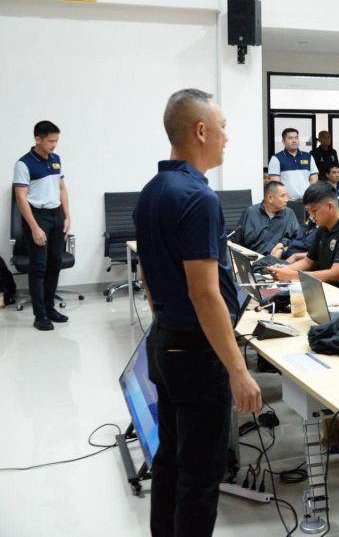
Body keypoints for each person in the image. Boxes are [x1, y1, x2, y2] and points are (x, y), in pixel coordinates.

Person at [135, 89, 261, 536]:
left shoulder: (152, 191)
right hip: (196, 352)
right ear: (202, 130)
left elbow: (148, 275)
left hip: (166, 342)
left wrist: (166, 323)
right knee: (201, 474)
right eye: (223, 127)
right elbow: (205, 294)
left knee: (170, 460)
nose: (228, 137)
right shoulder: (198, 197)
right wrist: (238, 369)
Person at [13, 120, 71, 330]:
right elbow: (21, 197)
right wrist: (34, 227)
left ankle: (50, 308)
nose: (54, 145)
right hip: (38, 216)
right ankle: (40, 316)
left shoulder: (56, 159)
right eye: (50, 141)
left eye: (56, 141)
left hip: (56, 215)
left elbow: (62, 188)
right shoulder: (24, 164)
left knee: (55, 263)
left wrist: (67, 216)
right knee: (38, 267)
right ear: (38, 139)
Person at [267, 181, 339, 289]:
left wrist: (292, 275)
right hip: (326, 288)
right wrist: (285, 269)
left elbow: (335, 275)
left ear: (329, 206)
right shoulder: (322, 229)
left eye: (314, 211)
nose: (311, 216)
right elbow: (309, 262)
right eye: (309, 211)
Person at [234, 182, 301, 257]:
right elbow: (236, 240)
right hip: (251, 258)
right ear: (270, 198)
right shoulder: (250, 212)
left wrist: (282, 244)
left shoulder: (289, 214)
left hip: (276, 261)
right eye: (283, 196)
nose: (287, 199)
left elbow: (298, 239)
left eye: (286, 195)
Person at [267, 127, 318, 200]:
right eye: (290, 138)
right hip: (287, 201)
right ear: (283, 141)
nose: (294, 141)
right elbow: (275, 183)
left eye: (296, 138)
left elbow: (314, 178)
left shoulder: (308, 156)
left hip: (307, 200)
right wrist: (285, 198)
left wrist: (310, 195)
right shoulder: (276, 158)